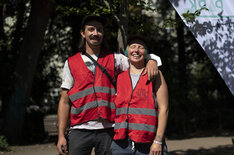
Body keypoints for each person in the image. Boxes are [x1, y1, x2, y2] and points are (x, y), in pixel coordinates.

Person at [56, 15, 162, 155]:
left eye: (99, 30)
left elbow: (137, 59)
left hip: (108, 130)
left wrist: (152, 60)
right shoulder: (70, 63)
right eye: (91, 29)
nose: (95, 33)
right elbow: (64, 102)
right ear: (83, 33)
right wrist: (61, 135)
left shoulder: (115, 59)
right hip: (79, 130)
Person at [111, 35, 169, 155]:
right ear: (127, 52)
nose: (136, 50)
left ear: (146, 53)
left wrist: (158, 141)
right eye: (133, 47)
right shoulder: (119, 77)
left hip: (149, 143)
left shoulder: (156, 75)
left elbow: (164, 109)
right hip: (121, 144)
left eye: (141, 47)